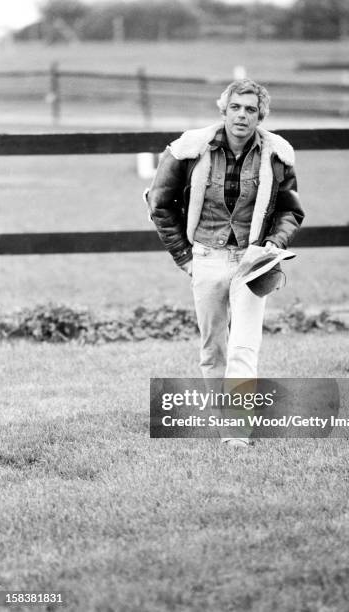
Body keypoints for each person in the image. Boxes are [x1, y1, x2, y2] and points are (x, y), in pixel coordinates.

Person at [145, 79, 304, 447]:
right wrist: (185, 256)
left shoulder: (277, 155)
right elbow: (159, 203)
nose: (242, 116)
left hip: (252, 261)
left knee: (244, 346)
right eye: (236, 107)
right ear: (224, 110)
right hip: (206, 257)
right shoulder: (189, 149)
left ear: (260, 115)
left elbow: (290, 212)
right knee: (213, 347)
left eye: (250, 109)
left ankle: (236, 432)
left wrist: (270, 246)